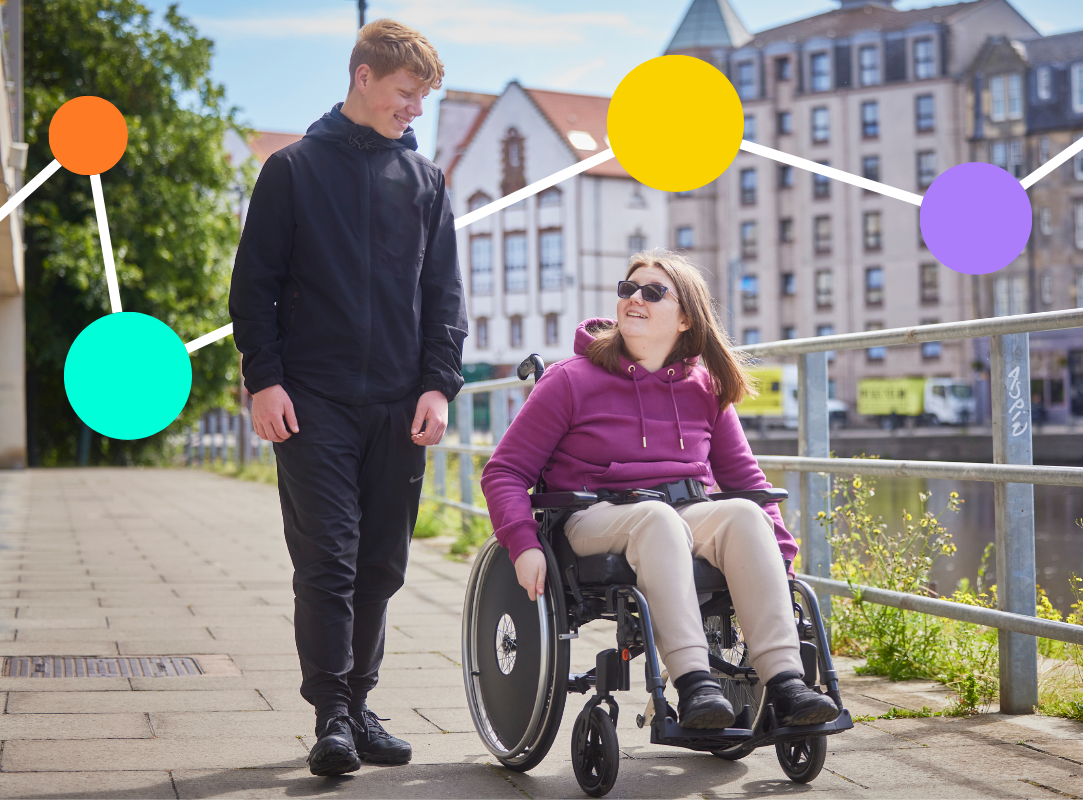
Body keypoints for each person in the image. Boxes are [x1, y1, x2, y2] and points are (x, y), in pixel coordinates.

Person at [228, 20, 466, 777]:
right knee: (327, 559)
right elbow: (253, 287)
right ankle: (331, 713)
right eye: (407, 92)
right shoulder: (291, 171)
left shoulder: (425, 185)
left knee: (382, 565)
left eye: (423, 97)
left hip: (398, 404)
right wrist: (264, 378)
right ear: (364, 77)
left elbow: (444, 297)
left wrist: (438, 384)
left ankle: (360, 704)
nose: (415, 110)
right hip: (312, 402)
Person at [480, 250, 839, 730]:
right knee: (658, 520)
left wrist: (782, 557)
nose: (634, 299)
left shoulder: (704, 388)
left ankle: (787, 682)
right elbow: (503, 471)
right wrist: (523, 544)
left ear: (686, 317)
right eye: (628, 289)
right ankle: (695, 685)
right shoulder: (569, 381)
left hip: (683, 512)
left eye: (653, 292)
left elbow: (747, 483)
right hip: (591, 518)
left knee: (744, 515)